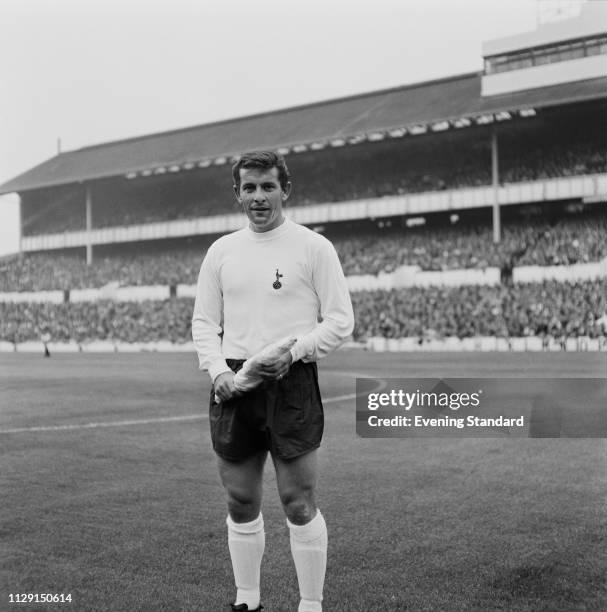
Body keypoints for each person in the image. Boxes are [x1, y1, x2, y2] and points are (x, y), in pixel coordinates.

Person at [192, 151, 354, 612]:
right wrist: (218, 371)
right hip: (236, 380)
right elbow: (204, 322)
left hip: (292, 381)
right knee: (241, 499)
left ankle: (310, 603)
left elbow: (341, 321)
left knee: (297, 500)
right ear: (237, 193)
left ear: (286, 189)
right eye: (249, 188)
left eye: (267, 186)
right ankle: (248, 600)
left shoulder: (313, 247)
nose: (258, 197)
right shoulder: (221, 251)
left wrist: (294, 353)